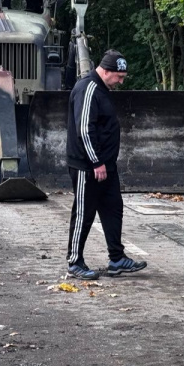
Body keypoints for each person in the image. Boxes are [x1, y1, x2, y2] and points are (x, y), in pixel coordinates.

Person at [65, 50, 148, 280]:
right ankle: (74, 261)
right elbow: (85, 129)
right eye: (119, 77)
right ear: (106, 70)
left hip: (105, 165)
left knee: (113, 209)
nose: (121, 82)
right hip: (87, 166)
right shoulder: (88, 88)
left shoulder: (102, 89)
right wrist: (96, 161)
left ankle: (117, 258)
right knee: (84, 212)